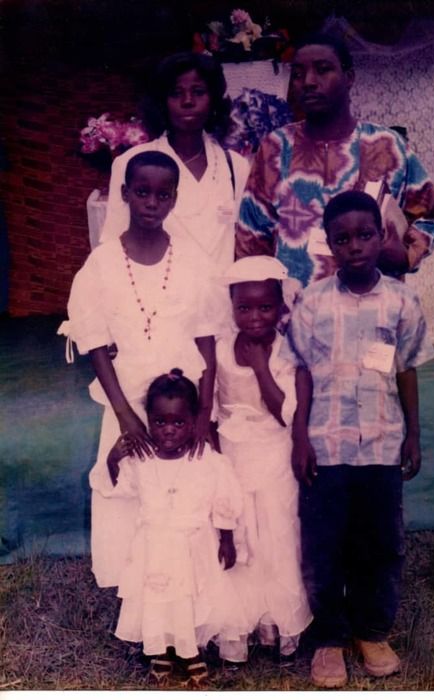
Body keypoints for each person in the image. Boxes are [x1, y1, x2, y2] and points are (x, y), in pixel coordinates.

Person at [284, 191, 434, 688]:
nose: (355, 246)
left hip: (381, 443)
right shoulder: (312, 302)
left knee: (379, 542)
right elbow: (301, 371)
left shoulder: (402, 301)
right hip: (325, 445)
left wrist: (412, 434)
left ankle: (371, 631)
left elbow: (406, 368)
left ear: (382, 236)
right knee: (324, 543)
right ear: (329, 244)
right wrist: (300, 438)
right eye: (343, 238)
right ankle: (329, 637)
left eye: (365, 235)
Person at [64, 151, 220, 588]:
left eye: (163, 195)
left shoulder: (193, 260)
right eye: (143, 192)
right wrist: (124, 414)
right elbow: (95, 341)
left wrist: (205, 411)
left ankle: (186, 581)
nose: (152, 202)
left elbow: (207, 336)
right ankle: (134, 584)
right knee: (128, 486)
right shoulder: (102, 264)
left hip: (182, 402)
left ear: (174, 199)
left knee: (182, 487)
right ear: (125, 193)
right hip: (127, 396)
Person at [236, 32, 434, 289]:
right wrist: (258, 297)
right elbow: (251, 235)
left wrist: (406, 255)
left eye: (323, 70)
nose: (308, 82)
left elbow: (429, 216)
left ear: (349, 77)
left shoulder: (387, 146)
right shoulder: (275, 148)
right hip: (295, 307)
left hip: (375, 304)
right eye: (298, 74)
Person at [92, 369, 248, 686]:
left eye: (178, 422)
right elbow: (121, 489)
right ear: (148, 420)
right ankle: (160, 650)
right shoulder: (142, 459)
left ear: (194, 421)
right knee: (157, 601)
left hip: (194, 545)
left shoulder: (205, 458)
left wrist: (227, 539)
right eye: (160, 422)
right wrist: (112, 460)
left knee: (190, 600)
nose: (168, 430)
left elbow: (223, 498)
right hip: (154, 548)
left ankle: (191, 654)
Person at [214, 256, 312, 664]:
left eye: (265, 307)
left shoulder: (285, 352)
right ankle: (244, 622)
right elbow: (213, 408)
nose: (254, 317)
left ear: (280, 306)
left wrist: (259, 367)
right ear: (232, 306)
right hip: (233, 453)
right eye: (245, 308)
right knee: (243, 533)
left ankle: (278, 621)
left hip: (274, 451)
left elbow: (284, 413)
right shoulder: (221, 349)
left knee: (275, 532)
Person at [101, 51, 250, 277]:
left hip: (218, 297)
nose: (188, 101)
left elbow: (242, 249)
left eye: (198, 92)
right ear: (162, 102)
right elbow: (113, 244)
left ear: (213, 100)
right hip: (157, 293)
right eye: (176, 93)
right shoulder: (131, 163)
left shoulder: (235, 166)